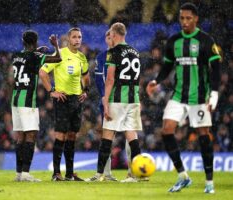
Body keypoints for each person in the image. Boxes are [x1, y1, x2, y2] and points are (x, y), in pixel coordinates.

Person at [146, 3, 221, 194]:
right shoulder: (174, 41)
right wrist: (156, 81)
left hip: (199, 97)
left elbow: (216, 69)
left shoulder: (205, 40)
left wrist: (213, 94)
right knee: (166, 130)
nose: (185, 22)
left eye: (188, 18)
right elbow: (167, 66)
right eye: (182, 18)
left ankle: (209, 182)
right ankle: (183, 176)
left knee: (204, 135)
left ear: (196, 18)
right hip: (179, 95)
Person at [86, 22, 142, 182]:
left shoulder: (113, 52)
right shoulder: (135, 52)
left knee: (107, 136)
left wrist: (106, 102)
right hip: (133, 99)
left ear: (115, 34)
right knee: (132, 137)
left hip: (117, 99)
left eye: (111, 33)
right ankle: (136, 175)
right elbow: (137, 78)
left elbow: (109, 79)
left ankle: (99, 174)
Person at [39, 27, 90, 181]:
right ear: (68, 39)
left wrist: (85, 90)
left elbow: (86, 76)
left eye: (79, 37)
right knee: (60, 135)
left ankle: (69, 174)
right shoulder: (59, 54)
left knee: (73, 135)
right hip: (62, 99)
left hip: (76, 101)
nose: (77, 40)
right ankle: (56, 173)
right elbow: (42, 72)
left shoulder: (82, 57)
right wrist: (51, 91)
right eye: (74, 37)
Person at [12, 30, 61, 182]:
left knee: (20, 137)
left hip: (15, 99)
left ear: (23, 41)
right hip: (27, 101)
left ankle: (19, 173)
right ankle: (26, 173)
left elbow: (29, 59)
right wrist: (56, 45)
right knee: (31, 135)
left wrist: (37, 52)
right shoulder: (35, 56)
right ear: (36, 41)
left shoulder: (17, 56)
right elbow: (57, 58)